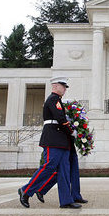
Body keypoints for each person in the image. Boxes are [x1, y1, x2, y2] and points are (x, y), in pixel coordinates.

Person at [18, 77, 81, 209]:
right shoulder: (53, 99)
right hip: (53, 138)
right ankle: (26, 190)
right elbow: (60, 118)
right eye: (63, 86)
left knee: (64, 171)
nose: (64, 89)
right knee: (48, 166)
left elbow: (61, 119)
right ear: (55, 86)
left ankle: (66, 200)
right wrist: (71, 130)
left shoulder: (58, 100)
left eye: (65, 87)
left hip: (61, 139)